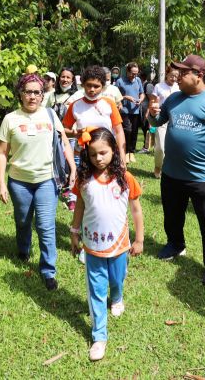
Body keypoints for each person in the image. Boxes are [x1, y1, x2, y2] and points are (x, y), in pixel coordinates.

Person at [148, 55, 205, 286]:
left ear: (199, 76)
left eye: (183, 72)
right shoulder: (174, 99)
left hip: (203, 176)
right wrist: (151, 112)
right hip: (171, 172)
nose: (177, 76)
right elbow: (157, 123)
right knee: (172, 213)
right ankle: (175, 244)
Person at [69, 127, 144, 362]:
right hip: (92, 245)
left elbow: (136, 210)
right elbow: (79, 207)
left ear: (114, 150)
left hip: (120, 244)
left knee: (116, 279)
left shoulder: (125, 178)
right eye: (93, 155)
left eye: (103, 152)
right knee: (96, 290)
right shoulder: (84, 180)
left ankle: (118, 297)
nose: (98, 158)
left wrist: (139, 238)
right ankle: (99, 336)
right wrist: (74, 232)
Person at [0, 73, 77, 291]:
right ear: (20, 94)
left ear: (43, 94)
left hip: (46, 180)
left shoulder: (50, 115)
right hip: (19, 181)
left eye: (37, 92)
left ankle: (48, 270)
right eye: (28, 92)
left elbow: (64, 143)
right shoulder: (10, 119)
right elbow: (2, 153)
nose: (32, 96)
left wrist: (73, 166)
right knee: (23, 220)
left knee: (45, 225)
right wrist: (1, 183)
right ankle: (23, 249)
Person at [63, 65, 127, 167]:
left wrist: (122, 157)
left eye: (96, 86)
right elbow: (64, 131)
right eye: (89, 85)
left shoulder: (109, 104)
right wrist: (74, 134)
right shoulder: (74, 106)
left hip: (106, 156)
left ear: (103, 87)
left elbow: (119, 132)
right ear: (83, 84)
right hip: (81, 156)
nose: (92, 89)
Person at [150, 64, 180, 179]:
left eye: (176, 76)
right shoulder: (158, 86)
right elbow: (152, 103)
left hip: (176, 120)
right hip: (161, 119)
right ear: (166, 74)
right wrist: (151, 115)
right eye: (172, 75)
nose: (174, 78)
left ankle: (170, 169)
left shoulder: (179, 87)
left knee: (174, 147)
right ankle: (158, 166)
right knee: (161, 147)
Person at [115, 62, 145, 164]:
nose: (134, 75)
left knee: (134, 132)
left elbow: (142, 93)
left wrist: (141, 99)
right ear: (127, 71)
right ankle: (126, 151)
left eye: (136, 73)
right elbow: (115, 96)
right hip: (124, 110)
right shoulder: (120, 81)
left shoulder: (138, 81)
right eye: (132, 73)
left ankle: (131, 152)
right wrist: (125, 97)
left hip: (135, 110)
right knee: (127, 130)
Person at [139, 75, 156, 153]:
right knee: (144, 128)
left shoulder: (148, 85)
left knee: (147, 128)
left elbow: (151, 99)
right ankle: (148, 146)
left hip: (147, 110)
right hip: (142, 109)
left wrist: (148, 111)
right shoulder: (141, 85)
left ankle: (146, 147)